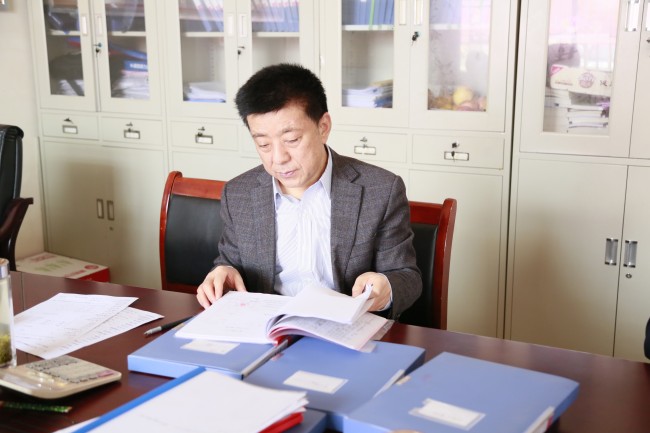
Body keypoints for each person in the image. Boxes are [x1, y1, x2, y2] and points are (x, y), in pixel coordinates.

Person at [196, 63, 421, 319]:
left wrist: (386, 287)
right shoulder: (239, 193)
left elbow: (407, 276)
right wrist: (223, 272)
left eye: (292, 140)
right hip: (268, 327)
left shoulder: (380, 190)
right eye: (263, 144)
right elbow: (229, 262)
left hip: (345, 328)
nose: (278, 158)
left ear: (323, 127)